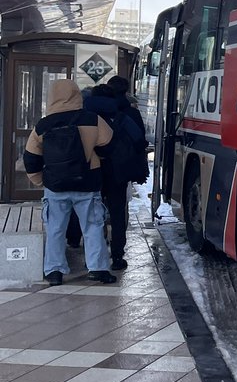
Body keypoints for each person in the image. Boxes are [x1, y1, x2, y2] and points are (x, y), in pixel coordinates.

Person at [22, 79, 117, 285]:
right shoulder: (93, 119)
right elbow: (109, 145)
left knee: (56, 228)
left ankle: (54, 272)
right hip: (87, 183)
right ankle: (98, 268)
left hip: (55, 186)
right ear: (77, 95)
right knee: (92, 226)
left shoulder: (43, 125)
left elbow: (30, 157)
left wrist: (40, 180)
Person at [83, 75, 148, 271]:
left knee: (92, 212)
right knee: (118, 212)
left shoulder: (85, 115)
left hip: (92, 170)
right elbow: (140, 142)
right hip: (117, 171)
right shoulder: (124, 115)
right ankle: (118, 255)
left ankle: (93, 255)